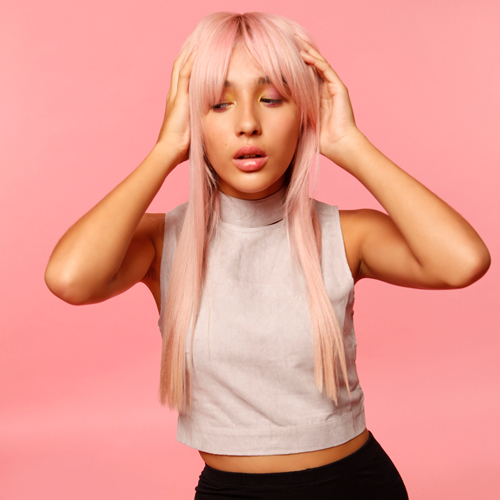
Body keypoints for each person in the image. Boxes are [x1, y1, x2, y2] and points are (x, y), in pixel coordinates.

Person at [44, 11, 490, 500]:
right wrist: (166, 148)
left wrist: (348, 143)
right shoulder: (161, 242)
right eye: (218, 104)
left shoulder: (345, 235)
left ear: (303, 112)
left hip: (356, 486)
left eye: (272, 99)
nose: (248, 124)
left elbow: (462, 261)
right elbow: (69, 278)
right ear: (193, 120)